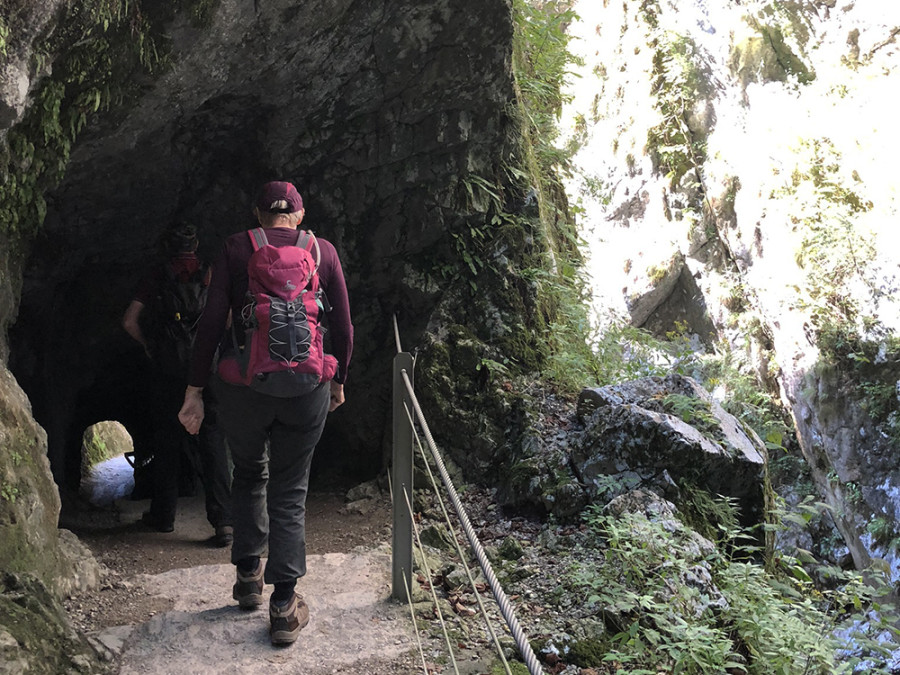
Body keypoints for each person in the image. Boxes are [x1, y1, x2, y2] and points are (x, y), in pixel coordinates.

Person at [177, 181, 353, 646]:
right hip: (307, 388)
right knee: (290, 489)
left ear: (259, 215)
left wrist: (194, 391)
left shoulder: (237, 248)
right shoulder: (324, 251)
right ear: (298, 216)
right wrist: (338, 381)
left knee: (250, 472)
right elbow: (344, 327)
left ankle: (248, 576)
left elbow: (211, 325)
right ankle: (284, 606)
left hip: (244, 389)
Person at [122, 222, 233, 546]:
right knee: (213, 439)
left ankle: (164, 515)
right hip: (205, 370)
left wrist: (149, 346)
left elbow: (129, 321)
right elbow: (227, 319)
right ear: (195, 246)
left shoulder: (156, 276)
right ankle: (224, 522)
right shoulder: (209, 273)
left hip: (168, 369)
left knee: (167, 440)